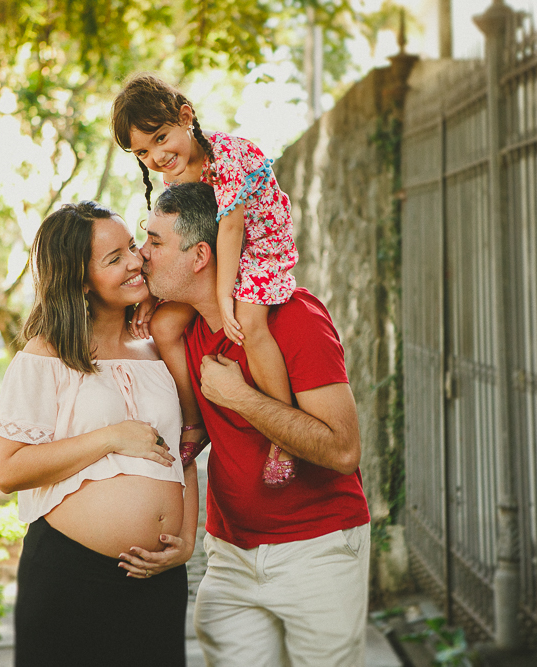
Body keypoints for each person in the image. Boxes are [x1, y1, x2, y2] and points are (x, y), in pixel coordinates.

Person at [136, 181, 372, 666]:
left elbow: (343, 450)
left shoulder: (294, 316)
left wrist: (241, 397)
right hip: (230, 556)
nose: (143, 254)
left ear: (201, 255)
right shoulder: (186, 327)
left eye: (155, 242)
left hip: (318, 553)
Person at [0, 201, 198, 666]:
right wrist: (110, 437)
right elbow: (8, 470)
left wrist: (186, 536)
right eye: (114, 258)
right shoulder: (45, 356)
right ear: (80, 280)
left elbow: (180, 446)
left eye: (132, 247)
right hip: (70, 575)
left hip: (158, 578)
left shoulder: (156, 350)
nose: (135, 261)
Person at [111, 72, 300, 487]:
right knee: (162, 325)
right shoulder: (174, 174)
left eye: (160, 138)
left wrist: (225, 296)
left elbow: (231, 230)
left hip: (261, 245)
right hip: (224, 255)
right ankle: (194, 422)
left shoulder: (227, 155)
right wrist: (153, 296)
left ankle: (282, 437)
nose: (156, 157)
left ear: (185, 117)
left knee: (250, 323)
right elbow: (185, 240)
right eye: (143, 152)